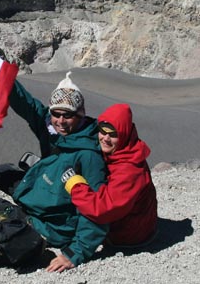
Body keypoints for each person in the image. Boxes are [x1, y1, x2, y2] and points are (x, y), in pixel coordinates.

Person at [0, 72, 108, 272]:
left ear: (80, 114)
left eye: (68, 115)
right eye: (56, 114)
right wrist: (2, 73)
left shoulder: (89, 155)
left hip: (60, 222)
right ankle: (32, 205)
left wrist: (75, 253)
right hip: (52, 188)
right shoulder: (52, 128)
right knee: (2, 173)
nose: (61, 121)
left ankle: (35, 217)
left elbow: (95, 208)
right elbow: (27, 105)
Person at [62, 103, 158, 248]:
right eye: (102, 130)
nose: (105, 138)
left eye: (113, 134)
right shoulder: (124, 150)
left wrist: (75, 185)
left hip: (129, 236)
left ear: (123, 133)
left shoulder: (129, 170)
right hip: (137, 225)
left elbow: (103, 209)